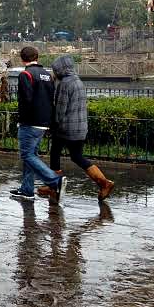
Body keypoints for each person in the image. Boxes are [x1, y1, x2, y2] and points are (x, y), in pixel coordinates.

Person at [37, 55, 114, 201]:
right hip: (80, 127)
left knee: (55, 153)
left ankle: (54, 186)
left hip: (66, 128)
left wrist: (53, 125)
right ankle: (104, 183)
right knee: (77, 156)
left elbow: (60, 109)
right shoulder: (77, 80)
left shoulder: (65, 83)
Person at [9, 46, 68, 202]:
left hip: (30, 123)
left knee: (27, 155)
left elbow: (25, 101)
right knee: (31, 156)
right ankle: (27, 190)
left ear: (22, 59)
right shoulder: (47, 75)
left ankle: (55, 181)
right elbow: (50, 99)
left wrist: (22, 120)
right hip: (43, 122)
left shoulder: (25, 75)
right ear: (37, 57)